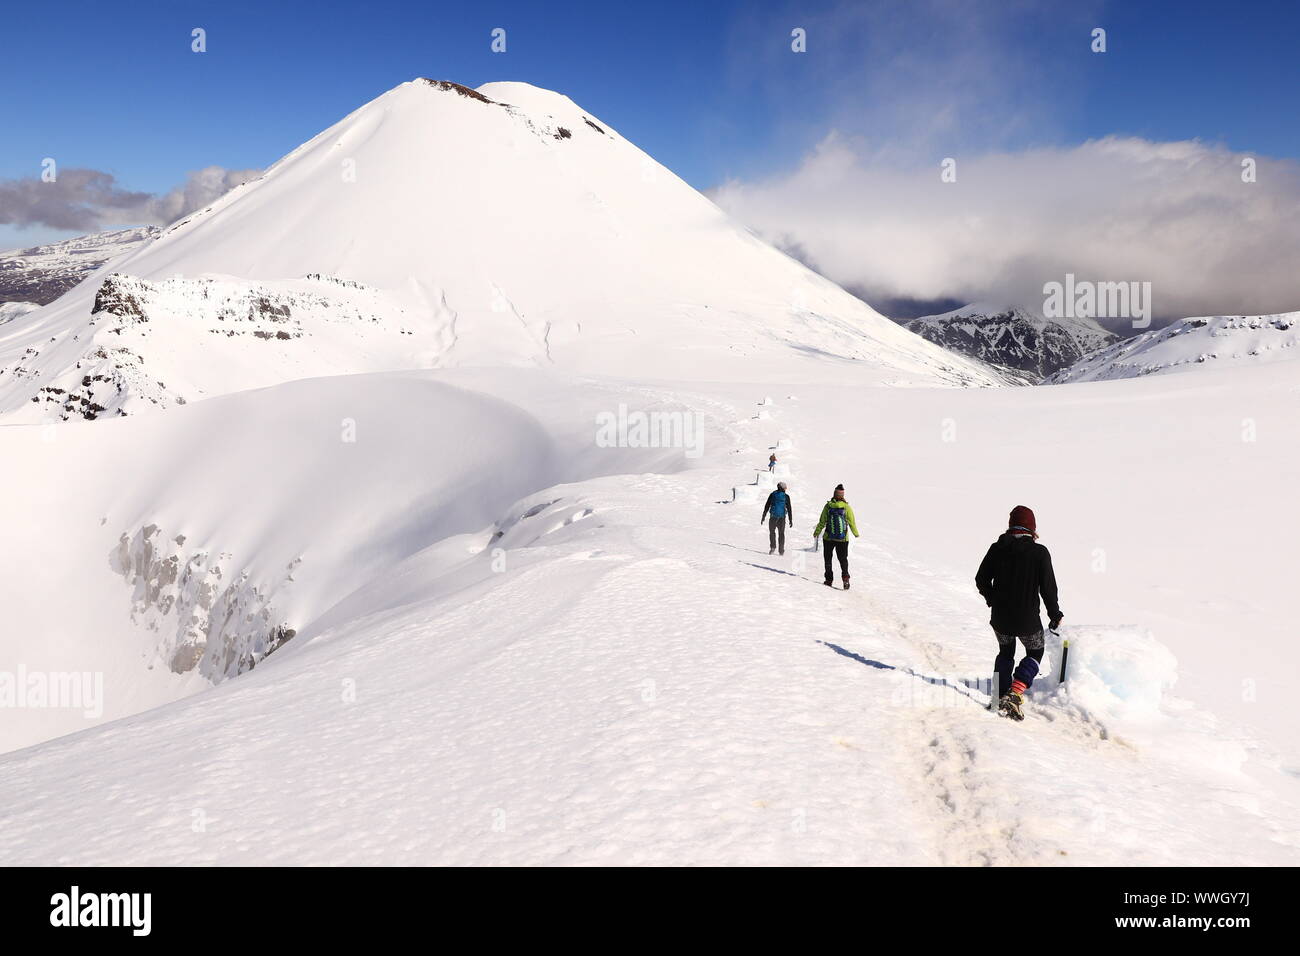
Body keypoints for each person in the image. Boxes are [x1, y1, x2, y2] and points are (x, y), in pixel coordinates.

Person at [975, 505, 1064, 721]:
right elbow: (1048, 589)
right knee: (1035, 652)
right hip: (1027, 620)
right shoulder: (1039, 552)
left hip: (1000, 618)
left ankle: (998, 695)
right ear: (1031, 528)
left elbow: (981, 580)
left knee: (1005, 652)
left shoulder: (997, 548)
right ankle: (1014, 693)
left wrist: (993, 599)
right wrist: (1055, 613)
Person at [813, 484, 859, 589]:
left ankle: (829, 580)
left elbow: (822, 521)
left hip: (828, 537)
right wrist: (855, 533)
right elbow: (852, 522)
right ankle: (846, 579)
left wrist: (817, 532)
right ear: (842, 495)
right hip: (843, 539)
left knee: (828, 559)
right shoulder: (846, 507)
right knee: (843, 559)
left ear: (834, 494)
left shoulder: (828, 506)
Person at [760, 481, 793, 555]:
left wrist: (763, 516)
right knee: (781, 534)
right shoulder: (786, 496)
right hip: (782, 518)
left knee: (772, 533)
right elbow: (789, 509)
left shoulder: (772, 495)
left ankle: (772, 547)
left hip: (773, 518)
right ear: (783, 488)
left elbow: (767, 506)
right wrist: (790, 520)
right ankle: (781, 551)